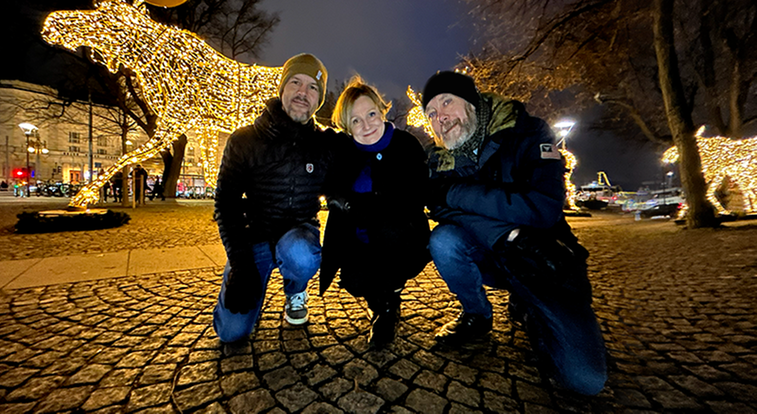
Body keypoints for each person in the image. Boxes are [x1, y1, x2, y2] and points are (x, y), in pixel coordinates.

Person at [421, 71, 607, 395]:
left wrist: (456, 194)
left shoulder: (528, 132)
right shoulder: (439, 159)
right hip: (496, 252)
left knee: (586, 380)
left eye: (447, 102)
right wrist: (506, 233)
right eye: (432, 113)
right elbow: (437, 208)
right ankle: (476, 314)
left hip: (539, 259)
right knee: (444, 240)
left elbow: (544, 207)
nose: (440, 118)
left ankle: (530, 307)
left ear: (473, 102)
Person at [213, 53, 335, 343]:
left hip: (299, 236)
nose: (303, 93)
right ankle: (248, 283)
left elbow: (356, 166)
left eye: (312, 87)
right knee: (231, 333)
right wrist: (241, 264)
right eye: (296, 82)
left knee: (303, 256)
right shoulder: (244, 140)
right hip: (254, 237)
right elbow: (226, 203)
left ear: (319, 100)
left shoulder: (325, 144)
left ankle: (296, 290)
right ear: (282, 88)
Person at [321, 76, 430, 348]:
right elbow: (330, 182)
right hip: (360, 243)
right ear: (347, 126)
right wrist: (340, 199)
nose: (366, 124)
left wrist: (363, 206)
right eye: (356, 120)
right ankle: (379, 303)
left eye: (371, 114)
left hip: (400, 239)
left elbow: (413, 198)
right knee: (355, 281)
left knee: (388, 233)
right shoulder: (344, 152)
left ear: (382, 110)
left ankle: (390, 303)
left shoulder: (406, 145)